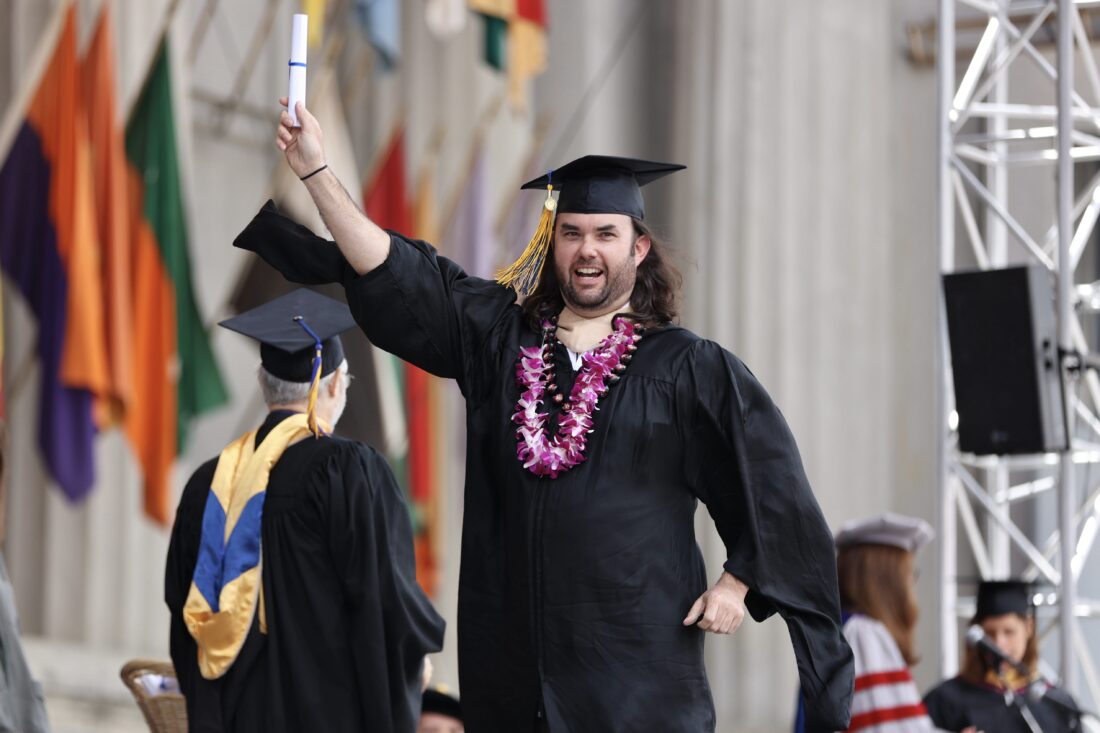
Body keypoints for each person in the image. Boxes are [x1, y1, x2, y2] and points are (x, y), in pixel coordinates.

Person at [236, 99, 855, 732]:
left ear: (639, 248)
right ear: (551, 241)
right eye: (572, 232)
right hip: (515, 677)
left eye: (606, 234)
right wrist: (315, 171)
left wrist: (738, 580)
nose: (588, 251)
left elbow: (773, 484)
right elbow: (398, 272)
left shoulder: (687, 368)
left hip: (635, 683)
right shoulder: (499, 340)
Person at [164, 288, 445, 733]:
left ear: (262, 383)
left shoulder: (207, 485)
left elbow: (183, 615)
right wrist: (415, 666)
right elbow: (385, 602)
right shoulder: (350, 472)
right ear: (333, 383)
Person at [796, 513, 938, 733]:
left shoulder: (839, 630)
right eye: (909, 574)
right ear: (887, 580)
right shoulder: (864, 635)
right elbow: (887, 728)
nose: (911, 584)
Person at [923, 580, 1083, 733]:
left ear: (1029, 627)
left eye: (1009, 632)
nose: (998, 643)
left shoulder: (1056, 704)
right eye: (989, 633)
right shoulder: (944, 701)